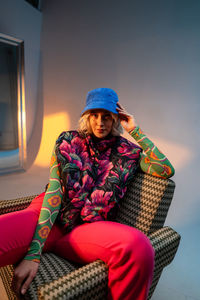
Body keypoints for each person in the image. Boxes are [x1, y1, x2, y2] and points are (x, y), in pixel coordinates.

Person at [0, 88, 175, 300]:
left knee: (139, 248)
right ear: (87, 117)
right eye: (95, 115)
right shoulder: (67, 141)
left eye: (107, 116)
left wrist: (135, 130)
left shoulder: (128, 152)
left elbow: (165, 169)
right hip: (49, 217)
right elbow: (54, 193)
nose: (100, 122)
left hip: (87, 230)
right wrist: (33, 254)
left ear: (116, 119)